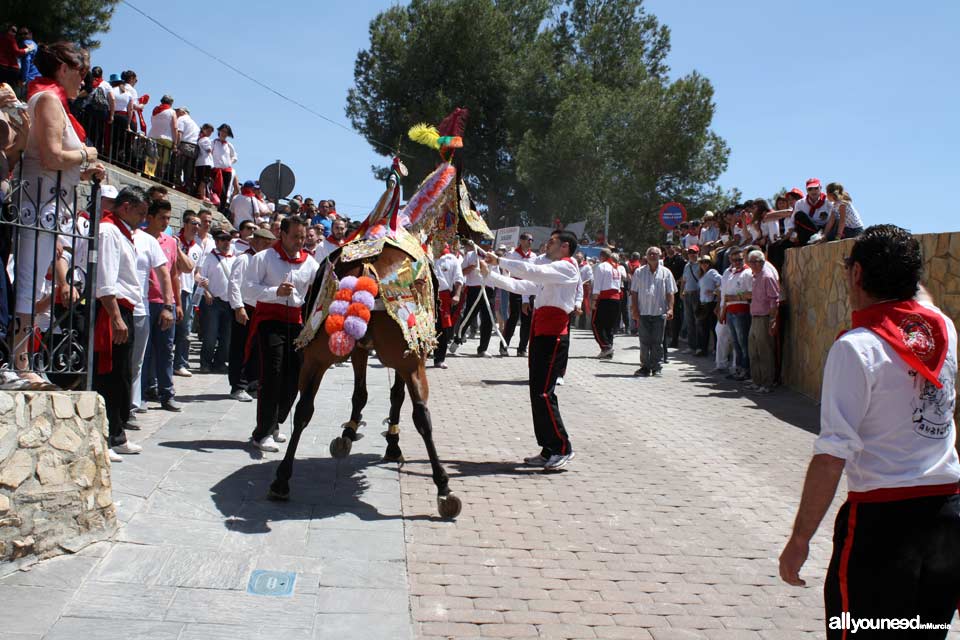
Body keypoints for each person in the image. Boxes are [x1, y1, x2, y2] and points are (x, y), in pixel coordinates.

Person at [779, 225, 960, 637]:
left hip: (883, 524)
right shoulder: (943, 330)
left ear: (857, 274)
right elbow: (923, 300)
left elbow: (832, 454)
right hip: (948, 518)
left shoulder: (857, 347)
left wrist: (801, 539)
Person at [13, 42, 105, 386]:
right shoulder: (49, 100)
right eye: (81, 72)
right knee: (29, 284)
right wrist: (87, 153)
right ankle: (20, 362)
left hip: (50, 205)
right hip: (39, 206)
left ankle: (24, 358)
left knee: (34, 284)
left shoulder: (51, 99)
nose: (84, 80)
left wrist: (83, 171)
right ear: (63, 68)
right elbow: (51, 156)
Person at [480, 230, 580, 471]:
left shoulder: (567, 267)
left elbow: (533, 271)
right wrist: (491, 275)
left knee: (545, 393)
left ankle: (562, 447)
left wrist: (500, 261)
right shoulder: (553, 270)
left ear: (565, 246)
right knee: (536, 392)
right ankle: (548, 448)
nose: (548, 244)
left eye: (553, 241)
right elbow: (521, 284)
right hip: (541, 331)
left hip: (554, 334)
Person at [243, 216, 319, 452]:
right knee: (272, 375)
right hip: (269, 321)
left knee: (294, 377)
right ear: (282, 235)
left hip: (296, 323)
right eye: (295, 236)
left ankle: (276, 422)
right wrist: (275, 291)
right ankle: (261, 433)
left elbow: (319, 289)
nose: (300, 241)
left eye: (303, 237)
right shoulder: (263, 258)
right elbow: (247, 288)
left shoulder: (310, 263)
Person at [94, 186, 150, 461]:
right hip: (112, 310)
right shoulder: (108, 231)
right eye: (140, 212)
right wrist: (115, 316)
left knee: (122, 376)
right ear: (125, 206)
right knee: (109, 375)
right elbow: (105, 279)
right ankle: (105, 437)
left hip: (125, 309)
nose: (143, 219)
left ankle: (117, 434)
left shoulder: (123, 233)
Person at [140, 200, 180, 412]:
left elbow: (173, 275)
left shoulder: (171, 242)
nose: (165, 222)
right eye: (162, 217)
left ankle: (167, 393)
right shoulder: (140, 238)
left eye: (168, 218)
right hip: (145, 302)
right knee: (144, 352)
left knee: (166, 350)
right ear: (150, 217)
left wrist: (176, 303)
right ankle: (143, 394)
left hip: (165, 303)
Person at [227, 227, 274, 401]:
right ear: (253, 241)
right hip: (245, 308)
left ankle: (252, 383)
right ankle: (237, 386)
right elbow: (234, 284)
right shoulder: (244, 259)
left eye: (269, 243)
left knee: (256, 349)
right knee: (240, 348)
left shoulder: (265, 260)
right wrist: (238, 307)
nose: (266, 245)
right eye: (263, 241)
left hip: (260, 309)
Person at [629, 246, 676, 377]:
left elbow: (670, 292)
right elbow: (634, 292)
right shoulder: (639, 272)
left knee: (657, 342)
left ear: (660, 256)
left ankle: (656, 367)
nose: (652, 256)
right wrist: (634, 309)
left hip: (659, 313)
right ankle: (644, 367)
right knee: (644, 341)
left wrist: (671, 308)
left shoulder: (666, 273)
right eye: (650, 253)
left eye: (655, 254)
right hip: (643, 312)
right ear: (646, 256)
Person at [197, 230, 235, 372]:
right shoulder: (209, 258)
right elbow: (201, 277)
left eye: (228, 240)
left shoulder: (234, 258)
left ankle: (219, 363)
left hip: (229, 302)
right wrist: (206, 292)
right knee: (210, 335)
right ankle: (205, 363)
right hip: (213, 301)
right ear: (217, 242)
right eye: (223, 240)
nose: (226, 243)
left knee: (227, 337)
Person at [451, 245, 495, 357]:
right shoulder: (470, 255)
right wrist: (471, 268)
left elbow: (497, 275)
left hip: (488, 290)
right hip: (474, 290)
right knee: (468, 316)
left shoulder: (492, 256)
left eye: (489, 242)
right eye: (485, 242)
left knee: (488, 319)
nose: (487, 245)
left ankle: (482, 349)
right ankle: (457, 339)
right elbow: (460, 272)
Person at [746, 249, 778, 393]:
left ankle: (767, 382)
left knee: (764, 351)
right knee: (753, 350)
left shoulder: (767, 276)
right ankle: (757, 380)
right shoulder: (756, 276)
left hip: (764, 317)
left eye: (751, 262)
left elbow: (774, 300)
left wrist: (772, 320)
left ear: (759, 262)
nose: (749, 264)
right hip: (755, 316)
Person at [718, 246, 753, 380]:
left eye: (740, 260)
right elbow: (724, 294)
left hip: (741, 311)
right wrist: (723, 310)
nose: (737, 262)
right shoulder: (729, 273)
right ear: (730, 260)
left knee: (743, 342)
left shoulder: (747, 273)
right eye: (734, 260)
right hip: (730, 311)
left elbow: (750, 293)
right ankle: (738, 368)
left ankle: (745, 369)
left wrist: (734, 297)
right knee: (735, 342)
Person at [173, 211, 201, 377]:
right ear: (184, 224)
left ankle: (180, 363)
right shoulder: (174, 241)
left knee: (185, 330)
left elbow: (194, 272)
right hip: (173, 289)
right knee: (170, 330)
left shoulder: (197, 248)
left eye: (198, 224)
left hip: (188, 291)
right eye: (193, 223)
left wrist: (201, 281)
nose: (196, 227)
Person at [501, 233, 537, 357]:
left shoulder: (534, 256)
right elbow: (505, 269)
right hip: (516, 287)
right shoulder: (512, 254)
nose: (531, 242)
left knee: (527, 319)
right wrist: (508, 282)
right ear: (521, 240)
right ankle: (504, 345)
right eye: (528, 239)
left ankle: (522, 348)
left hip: (529, 288)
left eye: (532, 240)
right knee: (513, 317)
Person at [433, 243, 464, 369]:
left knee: (442, 329)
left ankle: (439, 358)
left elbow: (459, 278)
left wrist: (456, 294)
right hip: (427, 296)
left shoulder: (452, 259)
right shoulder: (426, 255)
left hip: (444, 297)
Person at [590, 247, 620, 358]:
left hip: (604, 298)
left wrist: (594, 300)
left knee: (596, 324)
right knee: (608, 326)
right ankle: (608, 349)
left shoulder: (602, 266)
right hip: (616, 299)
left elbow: (597, 285)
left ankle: (606, 346)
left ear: (601, 256)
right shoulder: (616, 267)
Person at [147, 94, 178, 182]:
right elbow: (175, 127)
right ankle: (157, 179)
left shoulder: (155, 110)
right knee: (162, 162)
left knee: (151, 158)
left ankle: (148, 176)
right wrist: (175, 144)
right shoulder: (172, 112)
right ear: (171, 103)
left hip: (152, 136)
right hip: (166, 139)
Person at [695, 254, 722, 357]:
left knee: (713, 327)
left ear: (710, 263)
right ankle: (703, 349)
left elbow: (722, 281)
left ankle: (715, 349)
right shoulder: (702, 275)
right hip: (703, 303)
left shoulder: (712, 272)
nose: (704, 264)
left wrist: (714, 291)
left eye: (706, 262)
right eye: (702, 262)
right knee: (704, 328)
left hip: (711, 303)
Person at [679, 245, 702, 354]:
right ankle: (691, 346)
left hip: (697, 294)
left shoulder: (702, 264)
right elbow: (684, 280)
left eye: (694, 252)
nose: (692, 254)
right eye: (690, 252)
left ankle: (699, 346)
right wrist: (681, 292)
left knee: (698, 321)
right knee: (689, 321)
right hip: (687, 294)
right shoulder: (687, 266)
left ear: (698, 253)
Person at [211, 123, 237, 211]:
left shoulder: (229, 145)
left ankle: (221, 208)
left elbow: (235, 157)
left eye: (226, 132)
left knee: (225, 191)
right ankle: (215, 204)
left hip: (227, 170)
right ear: (219, 131)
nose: (224, 133)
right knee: (216, 188)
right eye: (222, 131)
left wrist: (230, 162)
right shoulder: (213, 142)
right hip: (216, 169)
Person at [174, 106, 198, 189]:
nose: (176, 113)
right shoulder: (194, 124)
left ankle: (178, 185)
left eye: (177, 111)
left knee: (178, 167)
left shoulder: (181, 119)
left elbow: (179, 133)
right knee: (188, 171)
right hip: (194, 148)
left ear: (183, 112)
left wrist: (176, 146)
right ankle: (187, 188)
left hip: (184, 146)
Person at [193, 122, 214, 199]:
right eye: (208, 131)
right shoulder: (205, 139)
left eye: (211, 132)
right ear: (204, 129)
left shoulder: (199, 138)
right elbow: (209, 150)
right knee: (204, 180)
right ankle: (202, 195)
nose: (209, 133)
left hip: (199, 162)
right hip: (205, 162)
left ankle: (199, 194)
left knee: (199, 180)